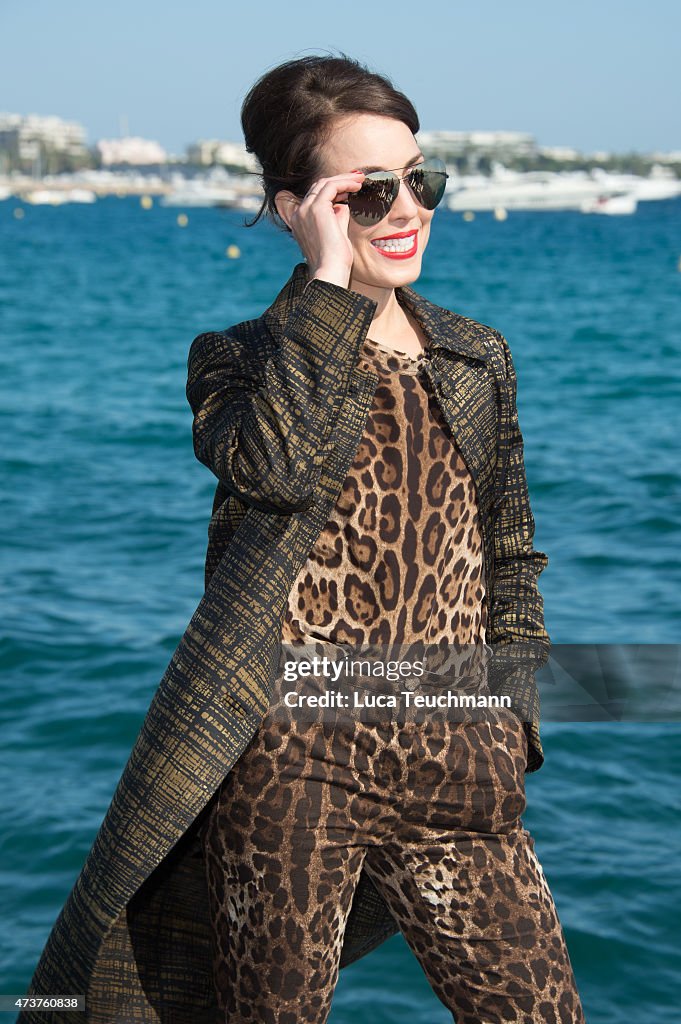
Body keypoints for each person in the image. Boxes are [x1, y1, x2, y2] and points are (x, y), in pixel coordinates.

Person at [18, 53, 585, 1024]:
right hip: (292, 772)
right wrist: (327, 285)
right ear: (295, 205)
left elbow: (509, 552)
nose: (407, 209)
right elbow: (274, 469)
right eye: (367, 193)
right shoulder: (238, 358)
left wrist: (510, 723)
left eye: (421, 179)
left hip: (458, 763)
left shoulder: (475, 354)